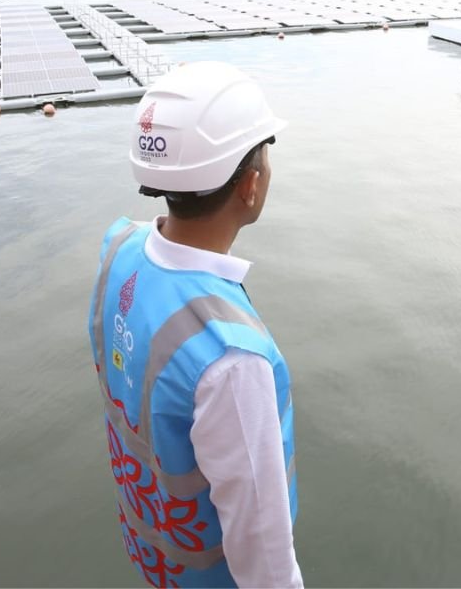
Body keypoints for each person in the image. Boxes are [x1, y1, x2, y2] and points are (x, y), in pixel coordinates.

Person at [87, 61, 302, 588]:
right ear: (250, 186)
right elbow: (263, 553)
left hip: (154, 557)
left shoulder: (118, 247)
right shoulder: (232, 358)